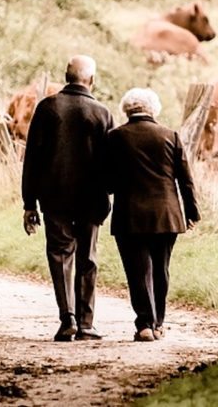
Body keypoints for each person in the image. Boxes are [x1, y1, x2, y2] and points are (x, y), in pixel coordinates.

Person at [22, 55, 114, 342]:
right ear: (92, 80)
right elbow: (111, 162)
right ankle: (87, 324)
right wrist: (108, 193)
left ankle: (68, 319)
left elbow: (32, 160)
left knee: (60, 255)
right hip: (91, 198)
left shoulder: (47, 108)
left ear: (66, 76)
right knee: (88, 258)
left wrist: (29, 203)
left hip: (54, 197)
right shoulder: (102, 113)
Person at [106, 88, 200, 342]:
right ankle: (158, 323)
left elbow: (107, 182)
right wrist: (192, 212)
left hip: (130, 215)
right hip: (167, 214)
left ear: (126, 109)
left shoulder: (115, 137)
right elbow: (186, 180)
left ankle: (144, 324)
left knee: (138, 271)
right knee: (161, 269)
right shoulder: (170, 136)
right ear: (153, 109)